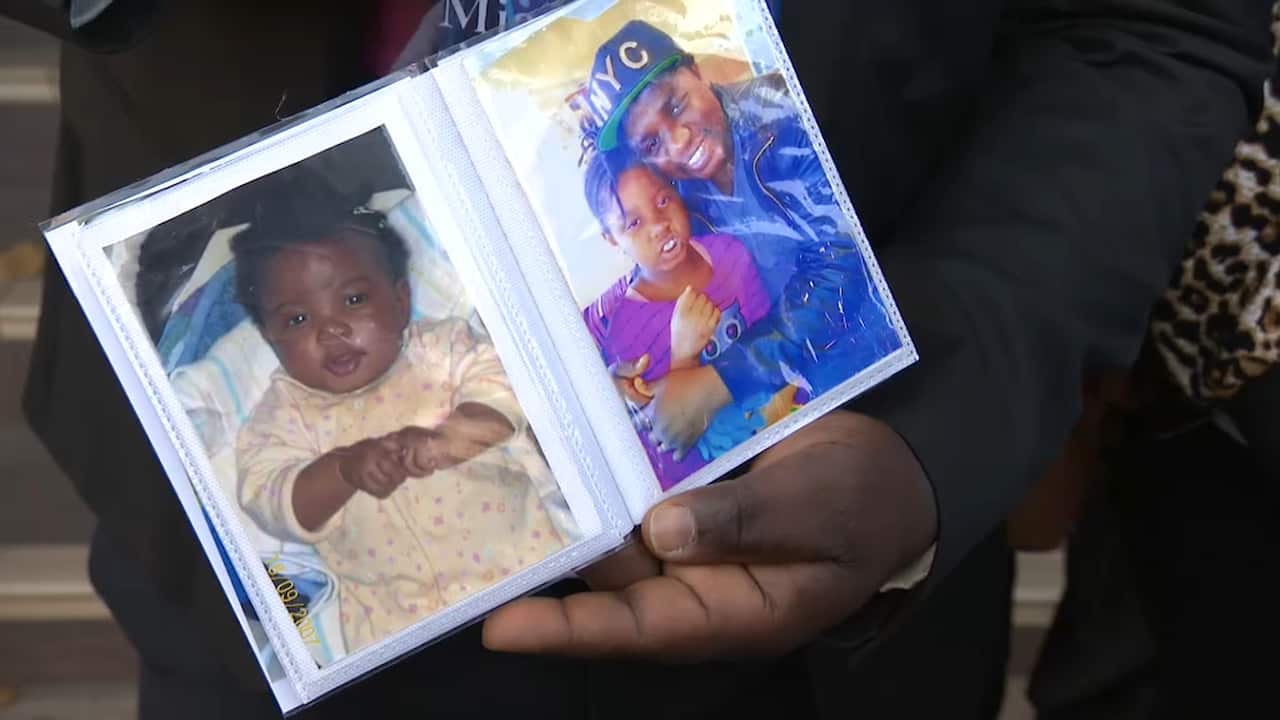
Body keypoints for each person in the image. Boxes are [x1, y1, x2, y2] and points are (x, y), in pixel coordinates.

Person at [8, 1, 1273, 719]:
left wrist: (926, 430)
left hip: (824, 570)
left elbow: (1149, 24)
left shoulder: (718, 238)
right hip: (244, 573)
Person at [229, 178, 567, 654]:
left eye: (353, 300)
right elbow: (272, 501)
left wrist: (451, 440)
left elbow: (504, 390)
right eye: (297, 320)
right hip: (402, 629)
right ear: (269, 339)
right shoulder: (282, 416)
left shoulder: (443, 348)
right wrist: (343, 469)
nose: (331, 330)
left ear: (401, 299)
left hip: (530, 573)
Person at [583, 20, 903, 456]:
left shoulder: (788, 110)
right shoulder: (676, 191)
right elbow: (653, 265)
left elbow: (844, 259)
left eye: (676, 106)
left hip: (883, 359)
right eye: (652, 144)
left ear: (697, 73)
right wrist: (616, 374)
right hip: (788, 395)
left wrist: (719, 382)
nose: (677, 143)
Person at [580, 151, 791, 490]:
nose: (659, 225)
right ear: (611, 238)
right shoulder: (626, 336)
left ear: (676, 189)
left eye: (663, 200)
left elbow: (775, 341)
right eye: (633, 223)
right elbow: (669, 447)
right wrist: (682, 361)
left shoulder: (729, 253)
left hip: (787, 421)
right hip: (730, 478)